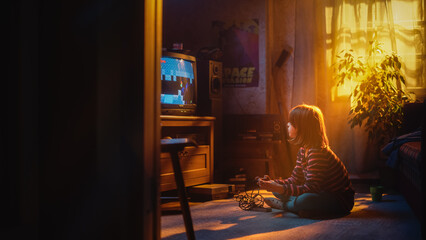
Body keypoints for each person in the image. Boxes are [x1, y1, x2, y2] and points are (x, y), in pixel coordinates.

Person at [257, 104, 354, 219]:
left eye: (291, 123)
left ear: (303, 128)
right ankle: (301, 208)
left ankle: (286, 205)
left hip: (339, 200)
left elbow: (311, 188)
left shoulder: (317, 153)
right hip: (320, 194)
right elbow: (295, 179)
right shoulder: (303, 150)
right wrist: (273, 183)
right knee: (277, 191)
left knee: (304, 199)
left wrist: (280, 188)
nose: (287, 124)